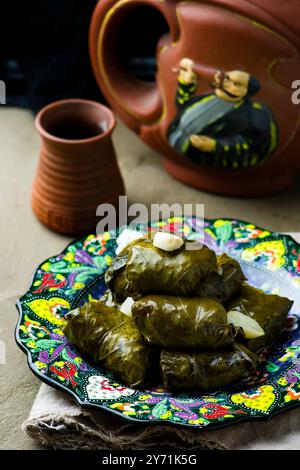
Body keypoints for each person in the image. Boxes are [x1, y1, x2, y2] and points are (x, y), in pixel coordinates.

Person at [167, 58, 278, 169]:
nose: (226, 84)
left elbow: (255, 144)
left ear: (247, 92)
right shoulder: (209, 97)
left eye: (236, 84)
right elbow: (183, 108)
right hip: (177, 141)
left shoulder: (249, 113)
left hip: (205, 160)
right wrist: (186, 84)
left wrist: (215, 146)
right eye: (227, 78)